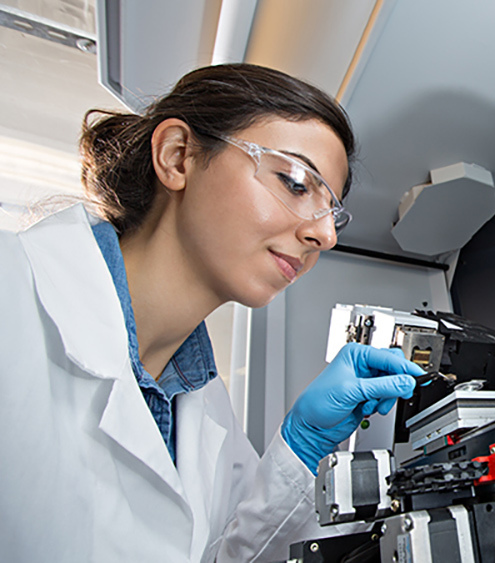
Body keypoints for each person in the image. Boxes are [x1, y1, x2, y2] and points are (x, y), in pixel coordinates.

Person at [0, 63, 424, 561]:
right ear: (178, 156)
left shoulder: (203, 408)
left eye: (331, 212)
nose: (325, 236)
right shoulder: (14, 296)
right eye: (294, 182)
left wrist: (302, 445)